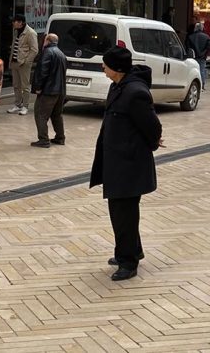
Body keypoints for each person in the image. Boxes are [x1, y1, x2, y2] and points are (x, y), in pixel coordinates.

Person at [90, 47, 163, 281]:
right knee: (121, 211)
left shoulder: (135, 92)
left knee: (125, 214)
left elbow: (152, 126)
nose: (103, 67)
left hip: (129, 164)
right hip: (117, 161)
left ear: (117, 68)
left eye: (106, 64)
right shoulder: (118, 87)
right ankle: (129, 250)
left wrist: (151, 144)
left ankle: (128, 262)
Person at [30, 33, 67, 148]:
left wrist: (38, 87)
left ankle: (43, 139)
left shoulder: (47, 52)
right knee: (57, 115)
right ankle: (60, 137)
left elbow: (42, 72)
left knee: (40, 114)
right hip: (60, 90)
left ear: (47, 41)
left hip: (49, 91)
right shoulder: (61, 54)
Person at [8, 15, 39, 116]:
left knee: (25, 86)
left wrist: (27, 61)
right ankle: (17, 104)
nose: (13, 23)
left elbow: (34, 49)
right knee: (16, 84)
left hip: (23, 62)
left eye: (15, 21)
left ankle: (25, 106)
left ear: (21, 22)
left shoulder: (30, 33)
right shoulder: (16, 31)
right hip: (15, 61)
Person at [185, 22, 210, 89]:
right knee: (202, 70)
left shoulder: (190, 37)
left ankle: (193, 84)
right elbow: (209, 47)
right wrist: (204, 54)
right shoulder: (206, 37)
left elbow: (188, 47)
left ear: (195, 28)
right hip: (202, 57)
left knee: (192, 71)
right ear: (202, 28)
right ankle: (202, 85)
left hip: (193, 57)